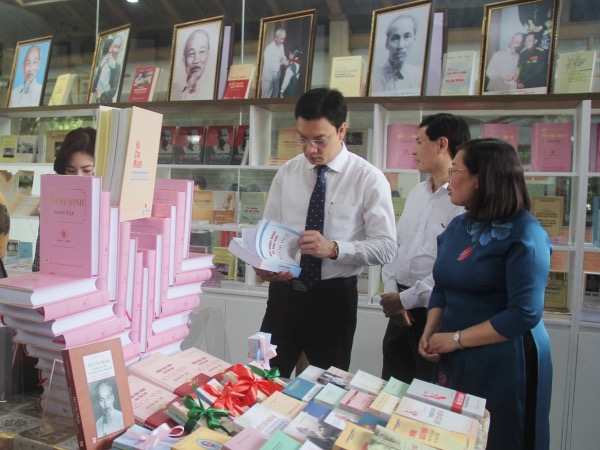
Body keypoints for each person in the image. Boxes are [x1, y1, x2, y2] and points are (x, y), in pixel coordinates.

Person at [418, 138, 552, 450]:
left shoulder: (525, 233)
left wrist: (454, 339)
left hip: (505, 357)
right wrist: (430, 330)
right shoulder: (460, 225)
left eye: (456, 170)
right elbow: (442, 285)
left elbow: (524, 313)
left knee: (503, 437)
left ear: (482, 179)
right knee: (454, 436)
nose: (448, 178)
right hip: (454, 350)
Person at [257, 88, 396, 377]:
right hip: (284, 296)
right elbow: (267, 229)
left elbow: (386, 246)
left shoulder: (368, 179)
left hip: (332, 300)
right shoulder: (288, 172)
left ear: (342, 130)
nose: (310, 149)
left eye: (320, 140)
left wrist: (335, 249)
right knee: (263, 377)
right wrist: (264, 263)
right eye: (303, 139)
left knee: (325, 388)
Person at [380, 113, 470, 383]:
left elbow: (453, 267)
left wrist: (404, 301)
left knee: (426, 395)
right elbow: (396, 247)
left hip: (436, 314)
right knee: (390, 390)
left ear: (442, 144)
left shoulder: (462, 201)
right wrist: (392, 293)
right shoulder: (418, 192)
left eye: (419, 142)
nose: (413, 150)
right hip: (398, 313)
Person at [32, 127, 96, 272]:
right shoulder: (53, 204)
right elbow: (39, 264)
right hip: (57, 284)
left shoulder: (109, 206)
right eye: (71, 171)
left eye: (87, 170)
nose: (79, 177)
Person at [371, 15, 422, 96]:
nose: (400, 45)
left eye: (407, 36)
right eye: (395, 38)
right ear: (387, 44)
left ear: (414, 40)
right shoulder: (373, 78)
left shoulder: (420, 76)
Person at [171, 28, 213, 100]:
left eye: (202, 52)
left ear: (208, 56)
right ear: (184, 59)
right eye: (191, 53)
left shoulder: (212, 89)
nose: (196, 60)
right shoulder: (174, 91)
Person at [91, 35, 123, 103]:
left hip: (107, 102)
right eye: (114, 46)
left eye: (118, 47)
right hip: (96, 101)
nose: (115, 50)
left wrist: (101, 96)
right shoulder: (100, 67)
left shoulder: (116, 67)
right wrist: (100, 67)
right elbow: (92, 88)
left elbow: (114, 89)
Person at [260, 29, 289, 98]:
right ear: (276, 38)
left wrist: (286, 60)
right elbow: (270, 65)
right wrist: (282, 63)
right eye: (281, 39)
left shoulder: (281, 46)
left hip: (276, 78)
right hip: (268, 79)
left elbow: (283, 56)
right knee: (265, 99)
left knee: (274, 98)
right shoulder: (269, 49)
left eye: (284, 39)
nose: (283, 41)